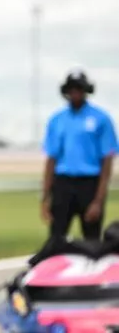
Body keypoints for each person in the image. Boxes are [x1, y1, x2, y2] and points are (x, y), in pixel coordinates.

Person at [41, 69, 118, 241]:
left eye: (79, 88)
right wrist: (45, 197)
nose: (75, 92)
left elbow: (107, 160)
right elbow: (51, 158)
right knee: (56, 239)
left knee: (92, 240)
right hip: (63, 183)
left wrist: (98, 200)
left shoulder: (101, 119)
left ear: (86, 90)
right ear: (66, 91)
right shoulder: (57, 119)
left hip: (89, 184)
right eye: (72, 89)